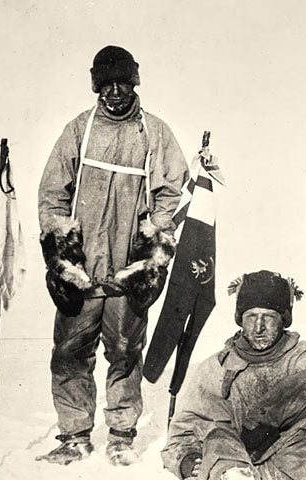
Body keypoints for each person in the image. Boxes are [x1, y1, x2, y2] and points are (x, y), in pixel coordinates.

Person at [36, 45, 189, 466]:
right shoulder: (79, 130)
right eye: (107, 85)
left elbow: (170, 193)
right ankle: (74, 436)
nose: (116, 92)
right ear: (97, 87)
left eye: (123, 83)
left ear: (134, 83)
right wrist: (62, 255)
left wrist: (151, 248)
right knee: (69, 352)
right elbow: (53, 193)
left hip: (126, 270)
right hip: (82, 270)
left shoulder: (154, 133)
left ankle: (121, 435)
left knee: (124, 351)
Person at [161, 270, 306, 480]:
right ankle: (237, 474)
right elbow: (185, 428)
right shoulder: (217, 367)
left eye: (269, 317)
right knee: (216, 434)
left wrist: (261, 422)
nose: (259, 327)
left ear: (283, 320)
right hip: (233, 458)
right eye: (251, 316)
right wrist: (188, 460)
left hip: (288, 459)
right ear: (240, 319)